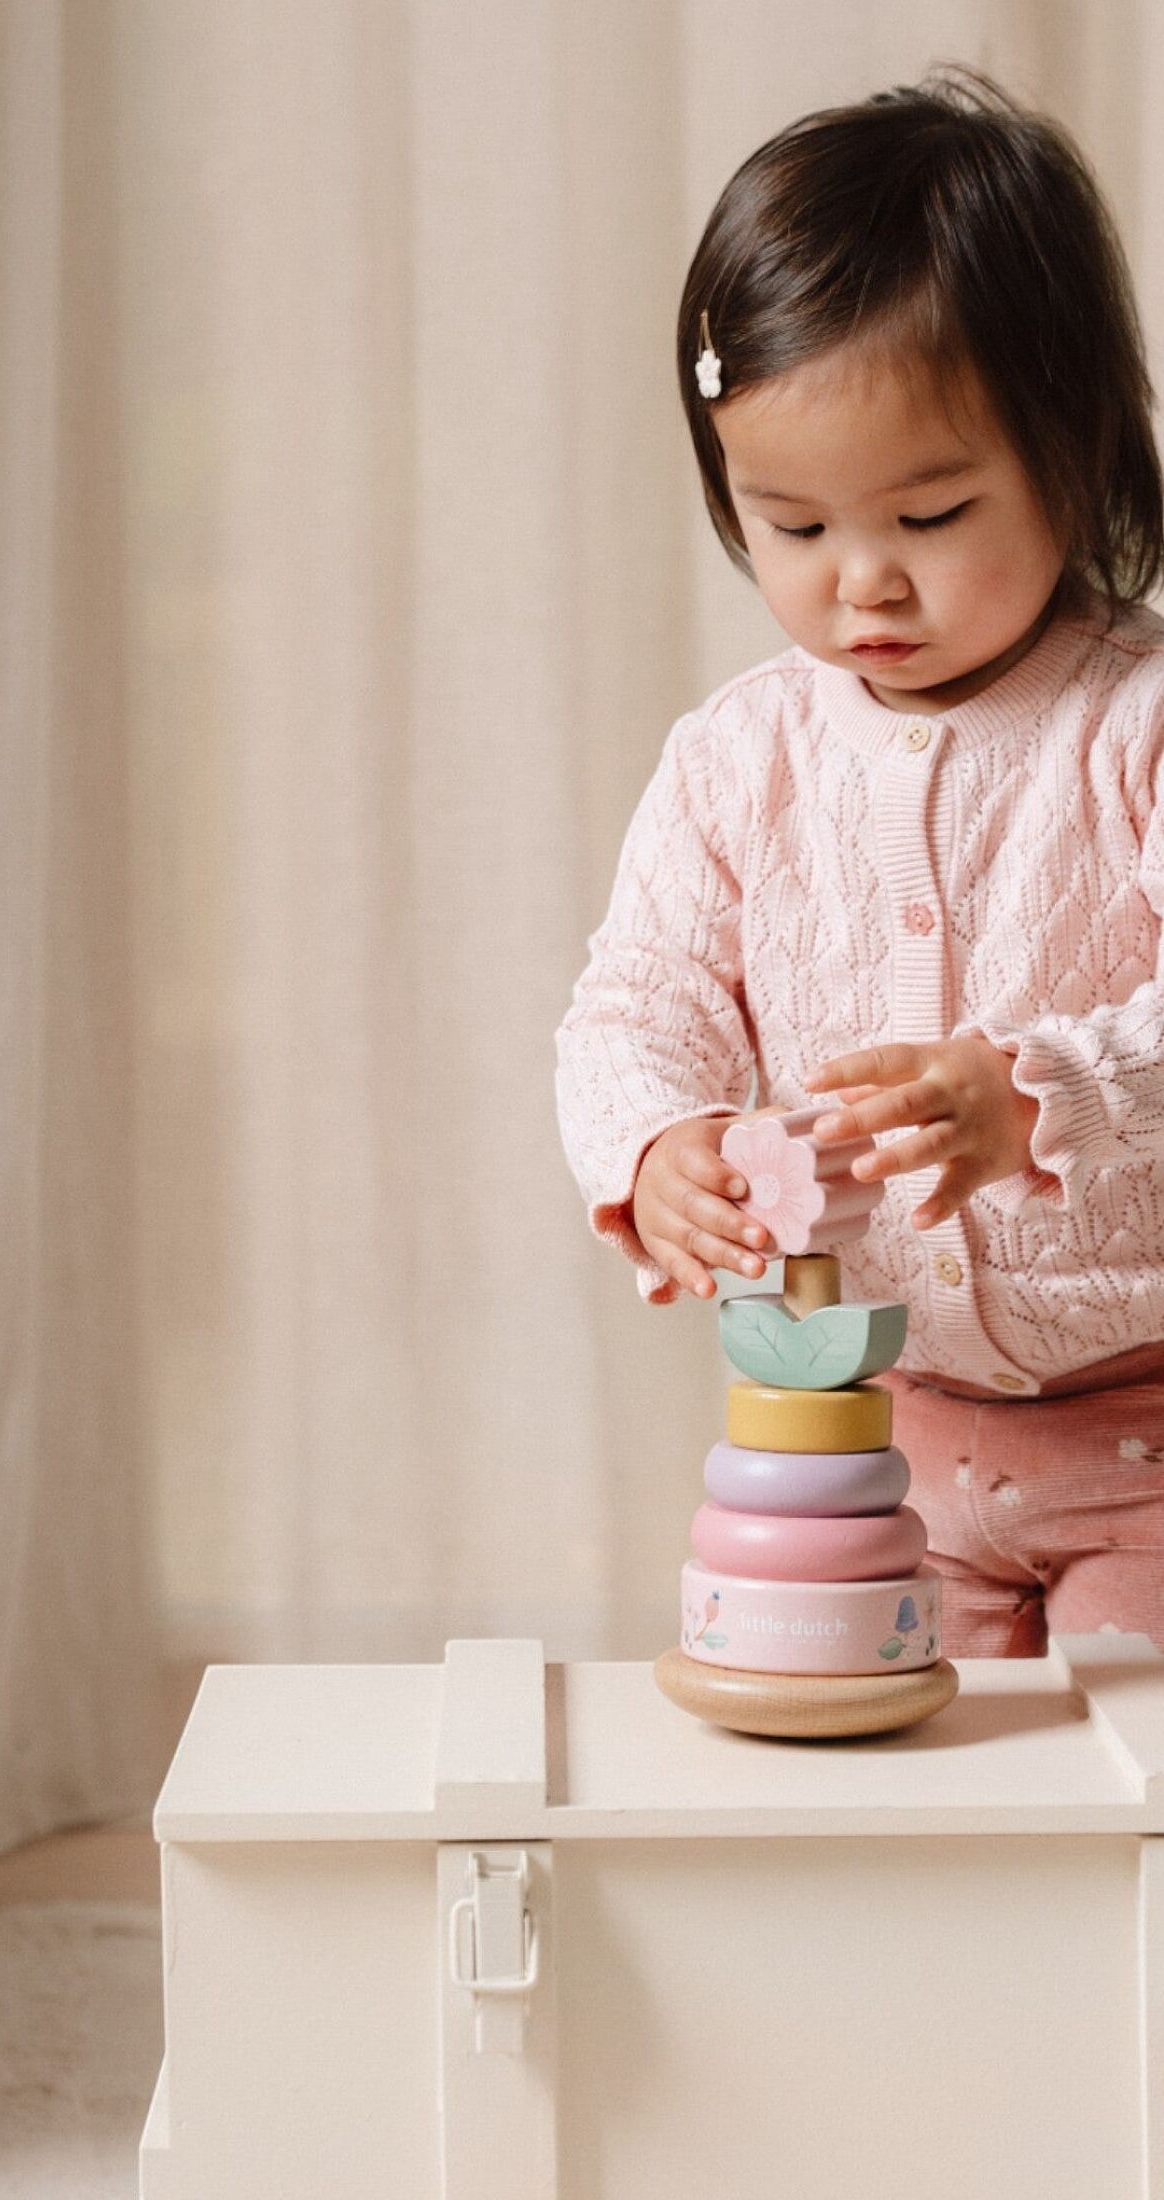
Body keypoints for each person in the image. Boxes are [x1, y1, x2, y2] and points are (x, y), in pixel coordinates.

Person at [555, 66, 1164, 1658]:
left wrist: (1041, 1090)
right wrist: (657, 1144)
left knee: (1125, 1811)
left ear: (1077, 453)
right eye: (795, 528)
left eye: (933, 510)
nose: (862, 582)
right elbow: (638, 996)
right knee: (901, 1809)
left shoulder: (1136, 725)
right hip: (868, 1430)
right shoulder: (738, 759)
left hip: (1147, 1431)